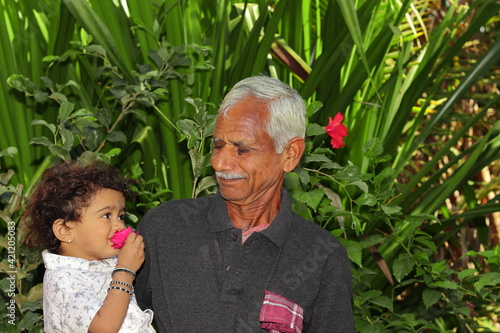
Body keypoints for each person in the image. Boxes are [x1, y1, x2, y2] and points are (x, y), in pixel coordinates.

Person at [135, 75, 355, 332]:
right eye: (217, 146)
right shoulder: (165, 227)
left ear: (290, 154)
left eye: (242, 150)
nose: (219, 164)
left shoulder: (321, 256)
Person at [24, 160, 155, 333]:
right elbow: (103, 329)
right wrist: (125, 271)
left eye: (121, 216)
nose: (120, 226)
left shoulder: (105, 262)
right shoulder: (64, 279)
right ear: (64, 230)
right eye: (107, 215)